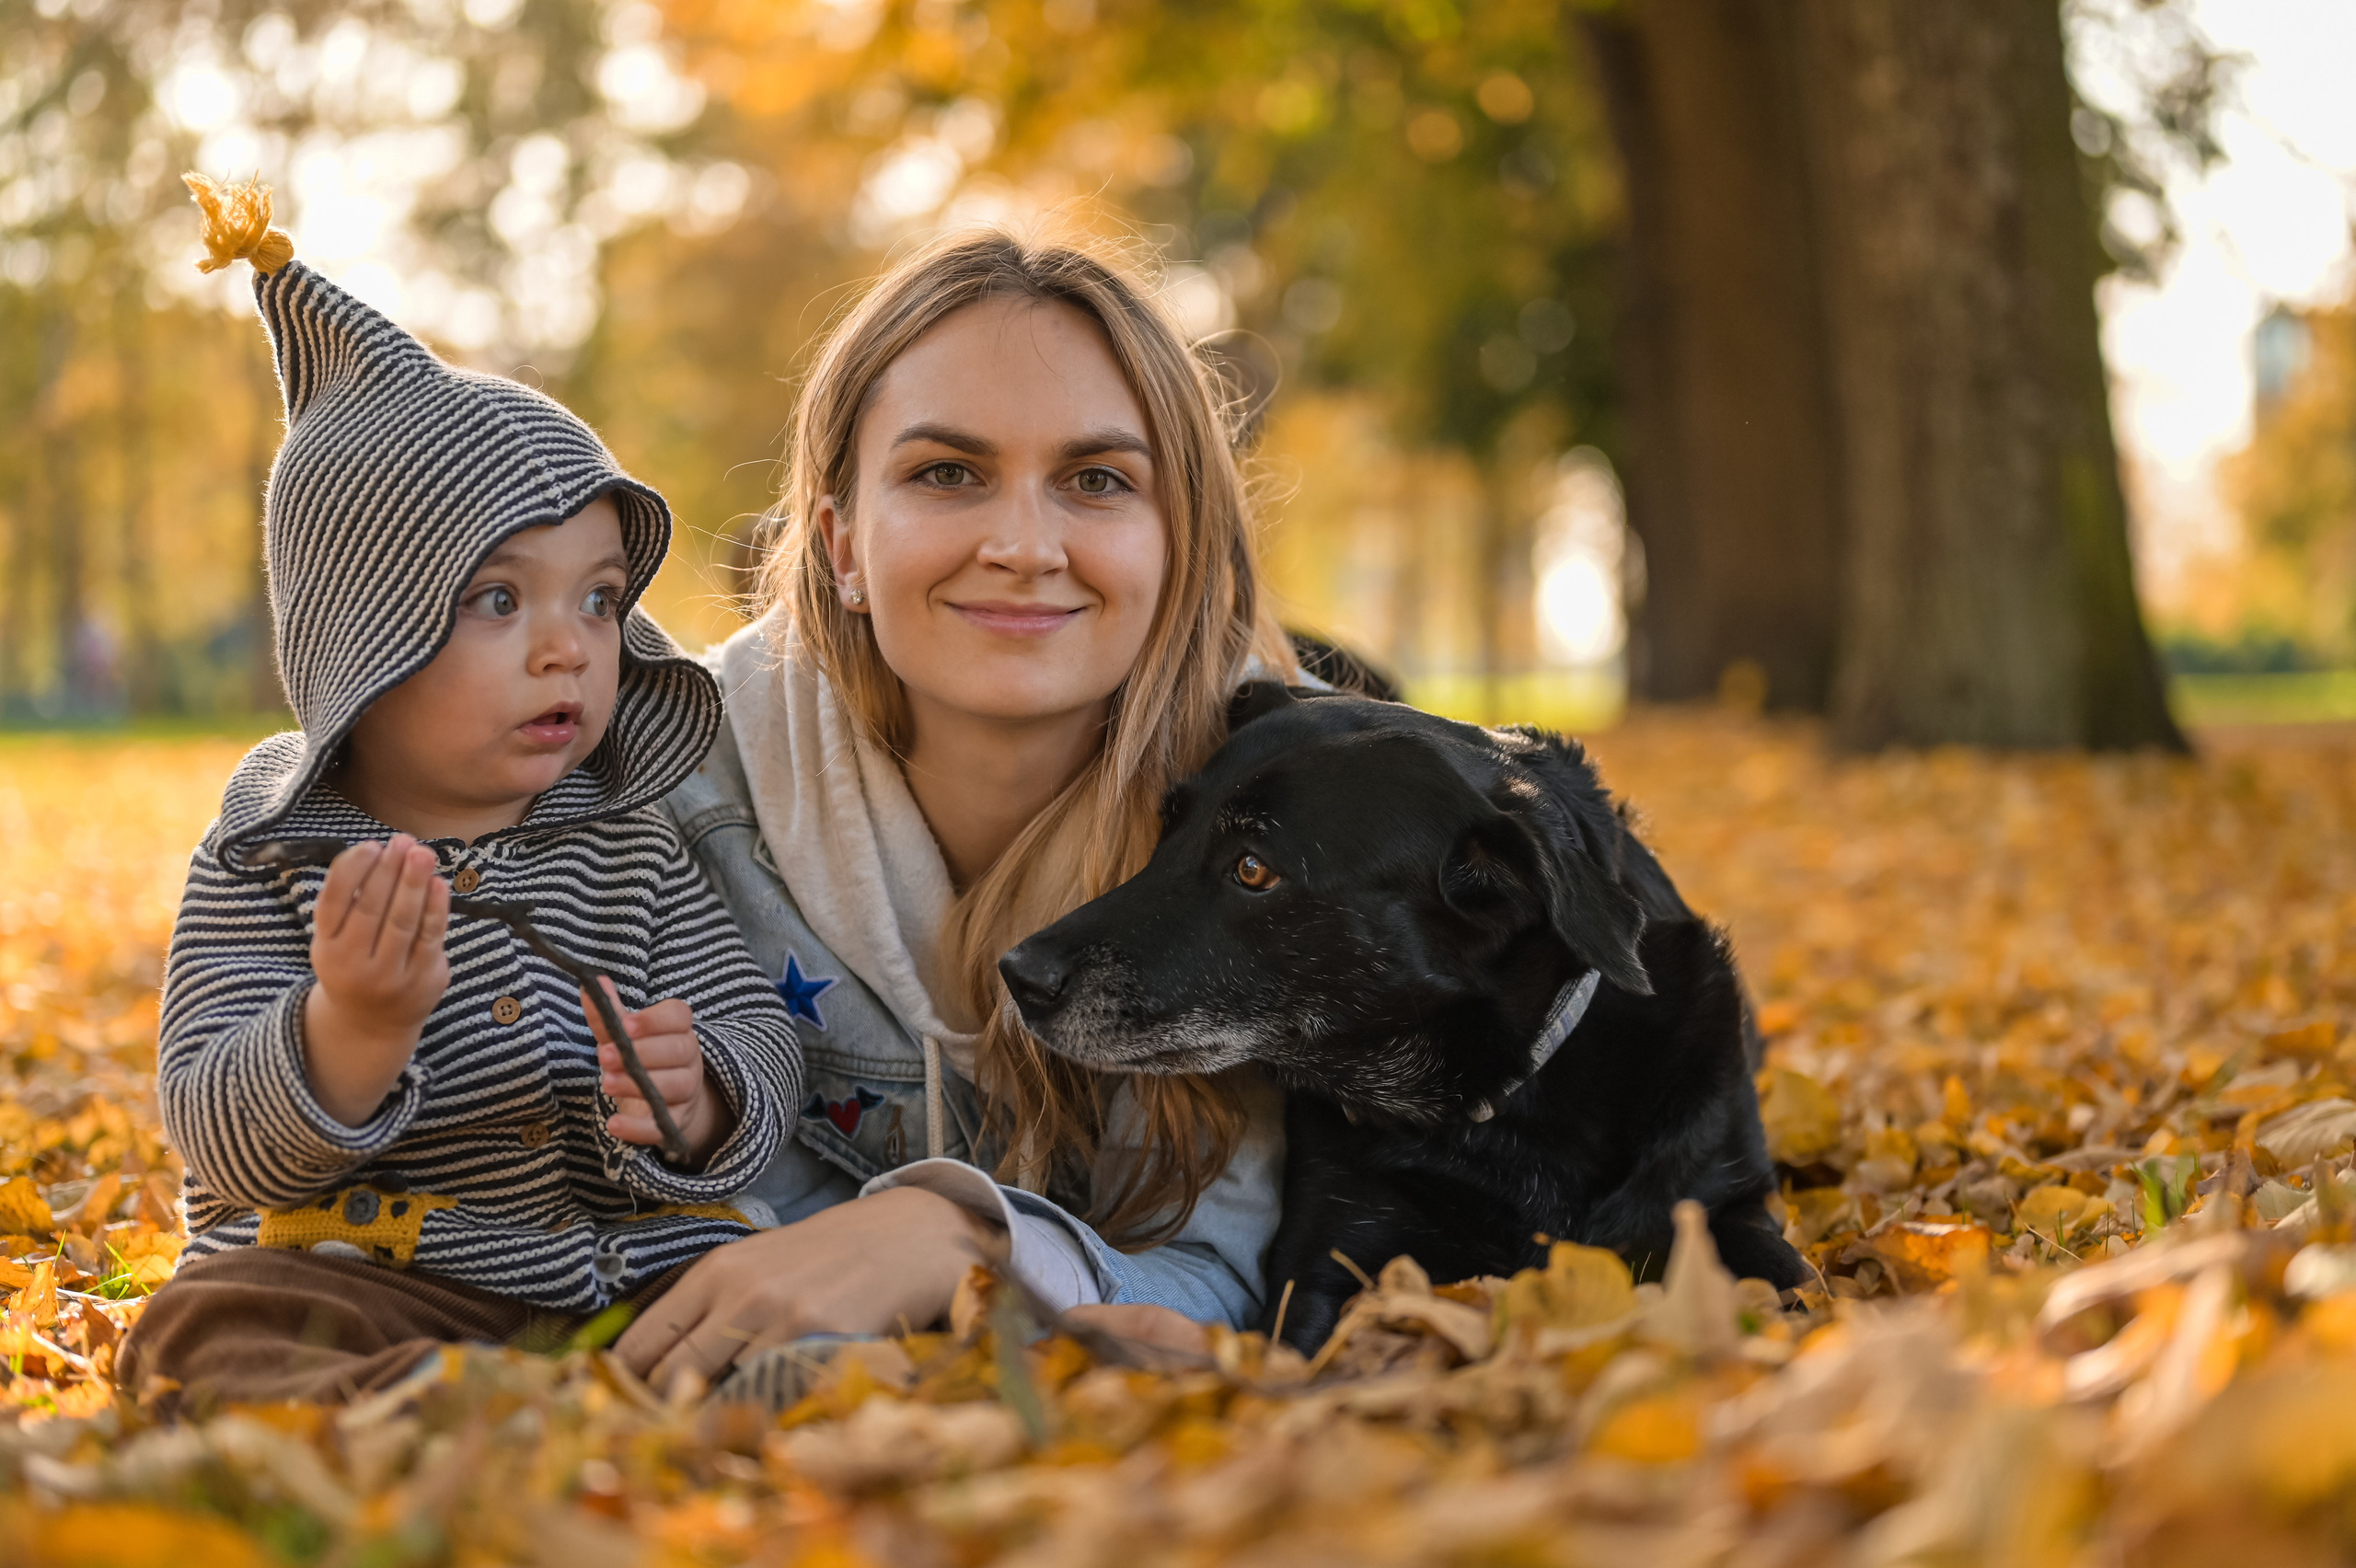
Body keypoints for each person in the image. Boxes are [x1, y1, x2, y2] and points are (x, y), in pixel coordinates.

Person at [117, 177, 802, 1411]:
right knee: (205, 1333)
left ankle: (652, 1407)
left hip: (616, 1272)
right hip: (372, 1276)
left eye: (600, 599)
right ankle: (438, 1410)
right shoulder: (273, 852)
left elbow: (752, 1021)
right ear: (362, 640)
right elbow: (217, 1130)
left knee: (776, 1300)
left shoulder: (630, 842)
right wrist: (350, 1031)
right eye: (498, 600)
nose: (569, 648)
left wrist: (704, 1095)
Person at [620, 226, 1302, 1394]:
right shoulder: (677, 784)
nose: (1023, 546)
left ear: (1179, 542)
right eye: (947, 473)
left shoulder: (1293, 826)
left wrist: (966, 1244)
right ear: (840, 545)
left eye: (1097, 481)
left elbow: (1228, 1280)